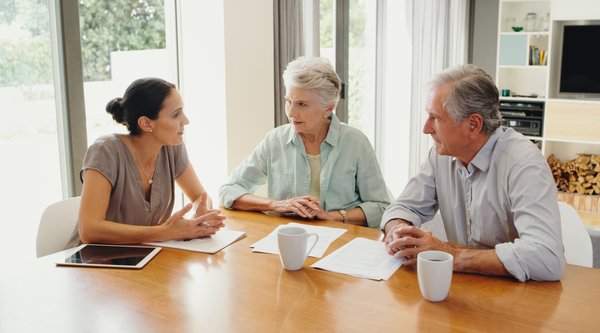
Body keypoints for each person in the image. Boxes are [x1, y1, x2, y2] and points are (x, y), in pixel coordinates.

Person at [382, 64, 565, 281]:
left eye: (436, 118)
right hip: (462, 283)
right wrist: (398, 228)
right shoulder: (441, 154)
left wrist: (450, 254)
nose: (426, 128)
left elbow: (546, 258)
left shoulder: (523, 164)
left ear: (473, 125)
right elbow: (404, 206)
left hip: (517, 293)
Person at [218, 56, 390, 228]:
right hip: (286, 242)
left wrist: (332, 216)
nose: (291, 112)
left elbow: (381, 207)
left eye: (302, 104)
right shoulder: (274, 140)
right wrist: (277, 205)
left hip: (341, 244)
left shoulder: (356, 143)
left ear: (328, 108)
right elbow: (228, 191)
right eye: (288, 102)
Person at [65, 78, 226, 248]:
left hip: (142, 254)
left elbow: (199, 197)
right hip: (91, 261)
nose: (186, 120)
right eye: (176, 114)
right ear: (146, 123)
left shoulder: (172, 147)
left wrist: (201, 212)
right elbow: (89, 231)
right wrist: (165, 232)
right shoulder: (105, 150)